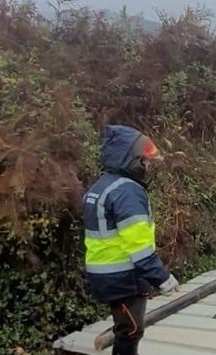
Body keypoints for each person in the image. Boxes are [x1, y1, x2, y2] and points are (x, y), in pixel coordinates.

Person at [83, 125, 179, 355]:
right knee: (131, 330)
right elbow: (139, 249)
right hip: (123, 277)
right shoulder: (127, 192)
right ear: (132, 159)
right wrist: (162, 278)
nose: (148, 167)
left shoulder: (102, 186)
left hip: (104, 273)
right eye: (145, 161)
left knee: (126, 326)